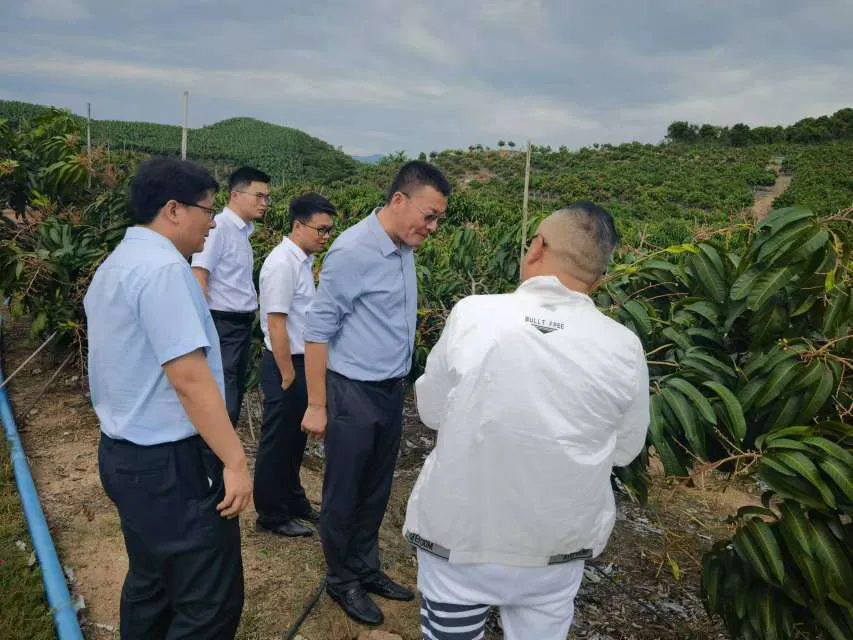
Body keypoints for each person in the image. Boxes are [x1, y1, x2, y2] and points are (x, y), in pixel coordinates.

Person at [404, 201, 650, 640]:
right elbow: (625, 449)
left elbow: (432, 410)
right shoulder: (624, 346)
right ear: (600, 277)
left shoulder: (474, 314)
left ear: (536, 247)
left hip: (461, 540)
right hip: (555, 549)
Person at [84, 157, 252, 639]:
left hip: (124, 455)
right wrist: (235, 460)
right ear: (173, 210)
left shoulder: (117, 263)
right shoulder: (164, 271)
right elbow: (189, 379)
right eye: (208, 208)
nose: (214, 221)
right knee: (207, 601)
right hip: (172, 467)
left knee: (152, 582)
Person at [301, 160, 451, 626]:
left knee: (376, 487)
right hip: (352, 392)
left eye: (438, 219)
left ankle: (366, 568)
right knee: (344, 490)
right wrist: (317, 404)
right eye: (428, 215)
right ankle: (340, 577)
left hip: (389, 390)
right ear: (398, 200)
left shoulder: (403, 246)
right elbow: (317, 331)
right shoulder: (352, 251)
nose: (432, 226)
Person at [254, 193, 337, 537]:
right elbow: (277, 323)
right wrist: (288, 374)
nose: (325, 236)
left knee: (294, 441)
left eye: (330, 230)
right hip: (285, 364)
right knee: (278, 442)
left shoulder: (301, 261)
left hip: (302, 364)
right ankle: (271, 514)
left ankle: (293, 499)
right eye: (320, 229)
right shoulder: (282, 263)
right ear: (298, 225)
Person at [191, 166, 271, 427]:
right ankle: (214, 459)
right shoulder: (219, 228)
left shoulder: (242, 232)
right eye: (258, 196)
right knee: (222, 393)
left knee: (232, 389)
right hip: (221, 324)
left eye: (267, 197)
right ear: (235, 195)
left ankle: (220, 459)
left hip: (239, 325)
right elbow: (199, 277)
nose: (264, 203)